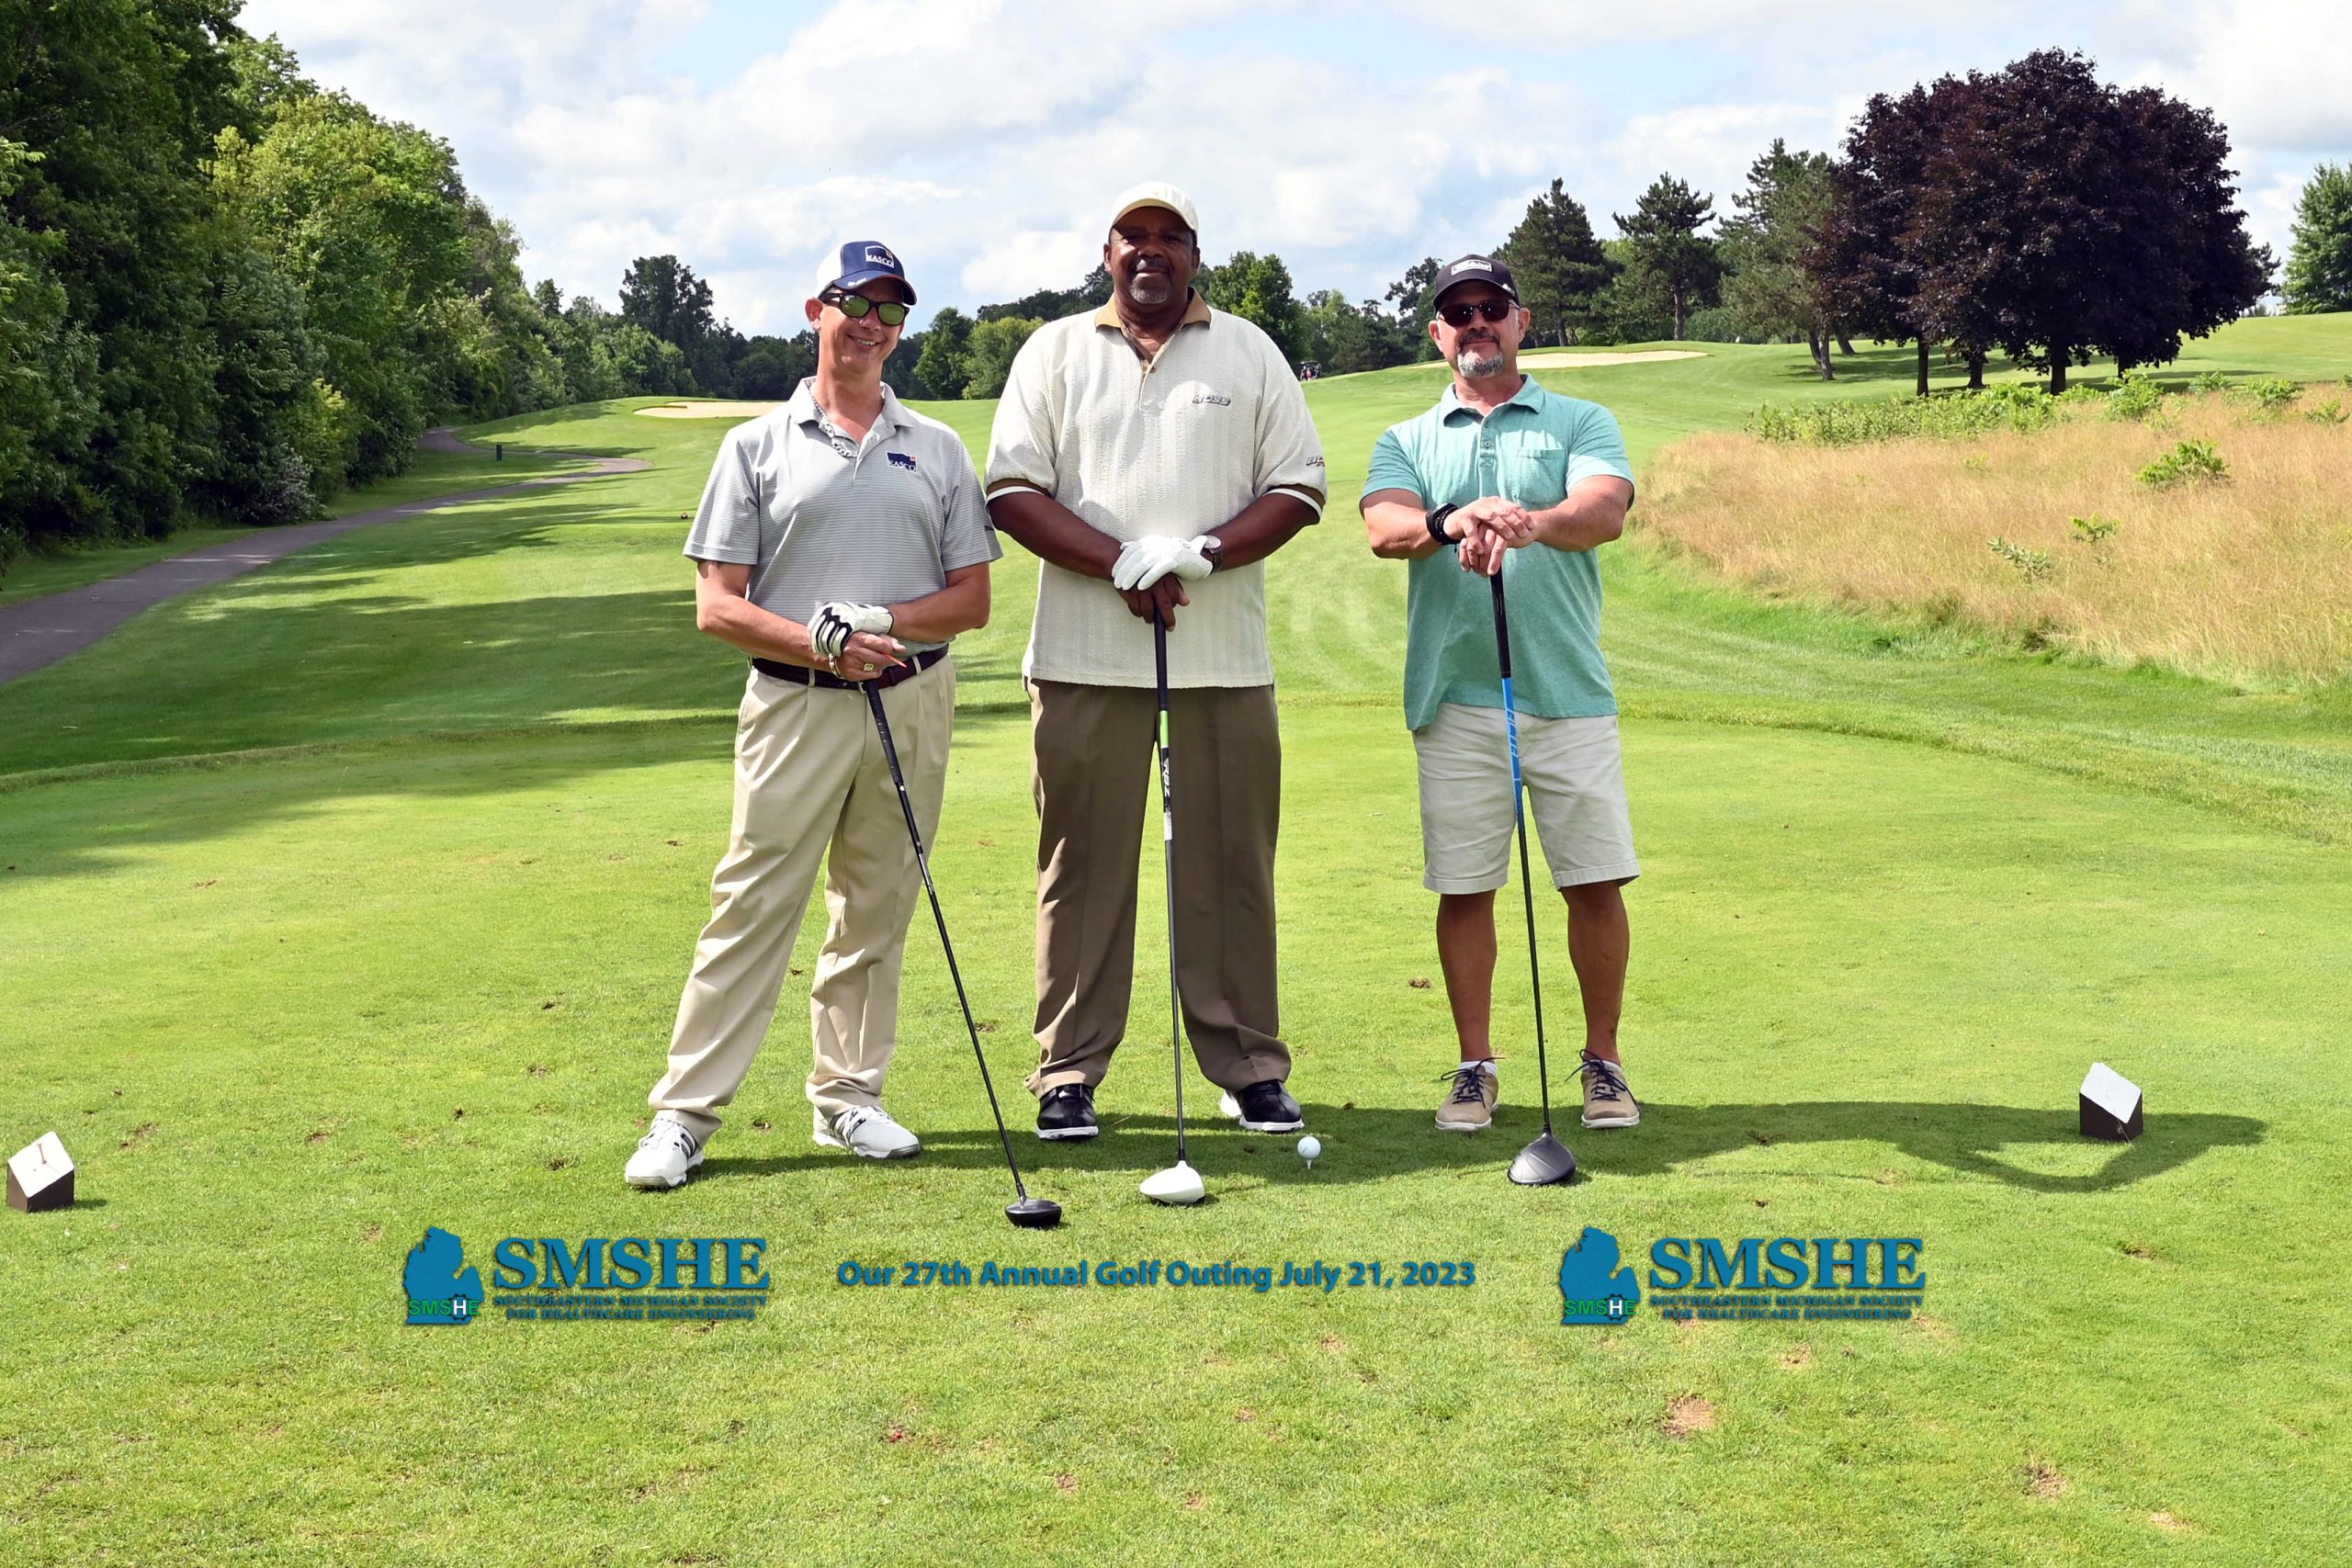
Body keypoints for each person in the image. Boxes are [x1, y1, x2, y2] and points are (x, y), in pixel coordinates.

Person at [624, 241, 1000, 1188]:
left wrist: (881, 623)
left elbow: (971, 600)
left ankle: (848, 1098)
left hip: (912, 698)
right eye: (855, 303)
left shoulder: (937, 447)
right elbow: (717, 605)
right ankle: (684, 1115)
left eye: (890, 309)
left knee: (877, 905)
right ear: (815, 310)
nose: (871, 324)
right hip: (796, 702)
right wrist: (818, 641)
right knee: (753, 904)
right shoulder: (756, 446)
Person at [983, 182, 1327, 1141]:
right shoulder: (1054, 350)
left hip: (1223, 661)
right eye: (1132, 236)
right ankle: (1067, 1069)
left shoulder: (1249, 350)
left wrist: (1199, 552)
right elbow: (1011, 489)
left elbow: (1298, 489)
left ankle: (1248, 1065)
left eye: (1169, 237)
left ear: (1194, 256)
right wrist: (1119, 562)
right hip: (1083, 657)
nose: (1150, 251)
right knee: (1081, 871)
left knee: (1231, 869)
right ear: (1106, 253)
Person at [1358, 254, 1642, 1134]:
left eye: (1492, 308)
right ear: (1438, 334)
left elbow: (1604, 510)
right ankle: (1476, 1066)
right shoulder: (1407, 438)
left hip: (1567, 691)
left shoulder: (1580, 419)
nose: (1476, 322)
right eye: (1459, 312)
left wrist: (1528, 521)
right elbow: (1384, 526)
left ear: (1521, 321)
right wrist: (1452, 520)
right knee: (1466, 886)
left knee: (1593, 881)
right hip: (1455, 697)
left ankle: (1604, 1063)